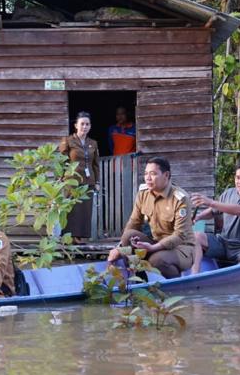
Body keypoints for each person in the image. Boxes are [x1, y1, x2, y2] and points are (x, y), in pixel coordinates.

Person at [106, 156, 196, 278]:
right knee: (128, 235)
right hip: (155, 243)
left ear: (166, 175)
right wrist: (119, 247)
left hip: (181, 249)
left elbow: (180, 235)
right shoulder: (143, 193)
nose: (148, 178)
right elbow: (134, 222)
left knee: (156, 260)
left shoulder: (180, 198)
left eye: (153, 174)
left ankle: (175, 286)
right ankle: (138, 280)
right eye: (146, 173)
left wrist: (153, 248)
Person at [190, 161, 240, 272]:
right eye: (238, 177)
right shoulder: (228, 193)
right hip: (223, 242)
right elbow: (213, 211)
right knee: (195, 236)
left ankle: (228, 275)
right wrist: (198, 217)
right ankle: (195, 275)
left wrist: (210, 202)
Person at [58, 111, 100, 242]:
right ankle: (69, 238)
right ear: (76, 125)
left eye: (87, 124)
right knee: (71, 210)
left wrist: (97, 181)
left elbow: (95, 164)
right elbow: (61, 161)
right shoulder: (68, 141)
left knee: (85, 211)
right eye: (82, 124)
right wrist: (60, 177)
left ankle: (80, 237)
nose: (85, 127)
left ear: (90, 126)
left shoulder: (93, 143)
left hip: (88, 181)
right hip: (72, 181)